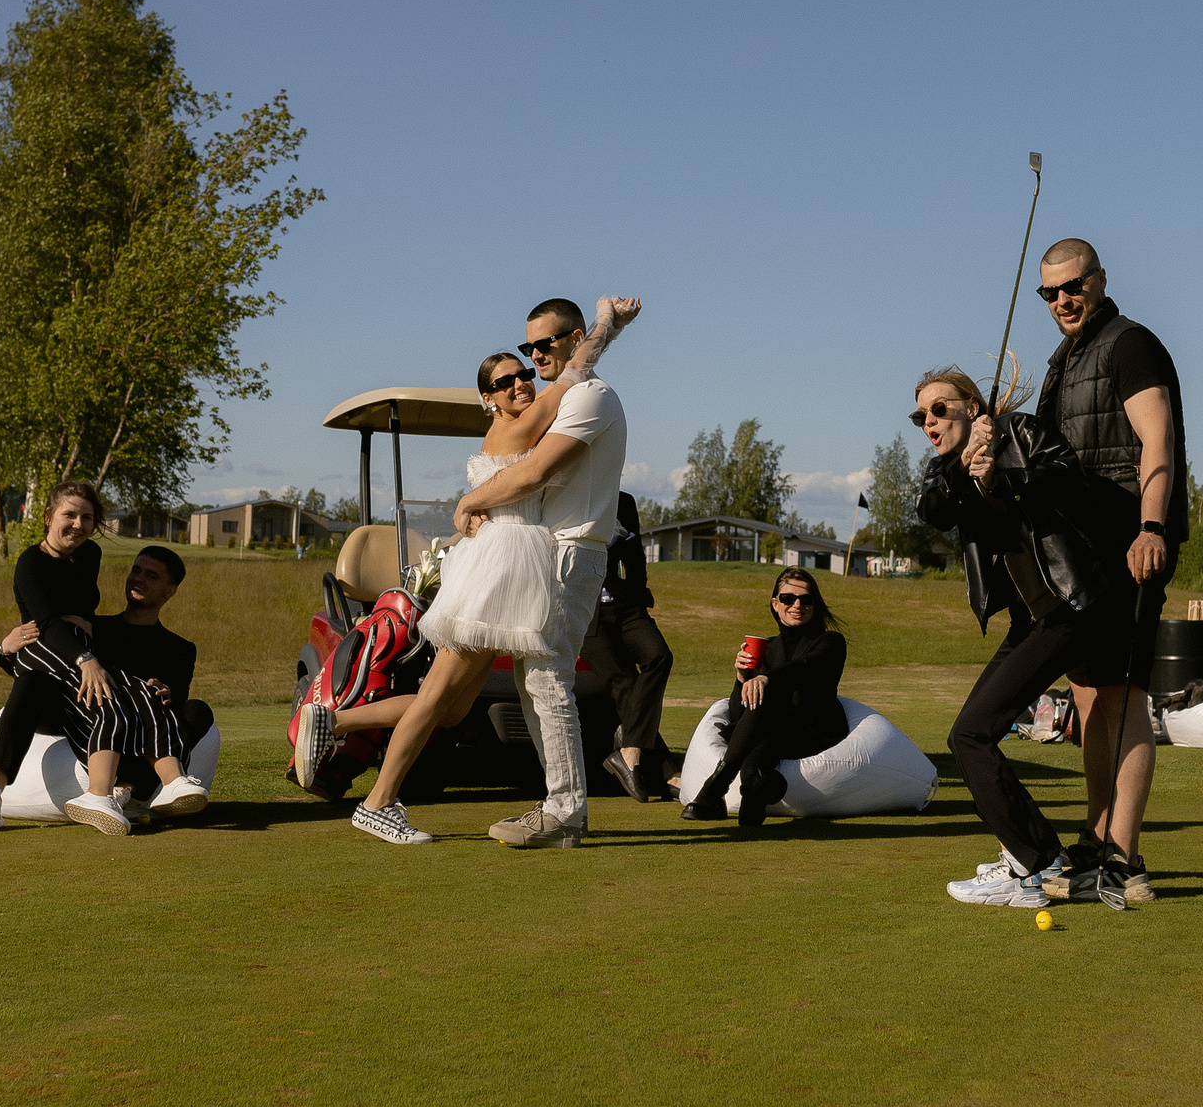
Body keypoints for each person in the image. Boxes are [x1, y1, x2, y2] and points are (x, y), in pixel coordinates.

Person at [342, 296, 637, 846]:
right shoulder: (531, 416)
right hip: (516, 561)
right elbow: (564, 386)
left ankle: (560, 809)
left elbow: (546, 440)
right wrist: (604, 326)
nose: (525, 374)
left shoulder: (569, 402)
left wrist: (605, 327)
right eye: (510, 375)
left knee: (486, 694)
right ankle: (383, 797)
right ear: (488, 398)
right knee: (480, 688)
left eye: (533, 359)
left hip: (542, 555)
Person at [913, 366, 1110, 911]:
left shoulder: (1020, 433)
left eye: (939, 408)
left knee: (971, 736)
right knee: (971, 734)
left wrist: (1001, 465)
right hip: (1031, 621)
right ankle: (1030, 855)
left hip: (1070, 608)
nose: (929, 421)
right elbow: (930, 510)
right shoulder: (943, 469)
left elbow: (1067, 480)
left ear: (972, 406)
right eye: (920, 415)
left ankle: (1031, 863)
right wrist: (964, 465)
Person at [1029, 238, 1188, 909]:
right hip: (1081, 553)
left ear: (1099, 280)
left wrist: (1151, 527)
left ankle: (1126, 856)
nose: (1064, 299)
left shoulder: (1130, 344)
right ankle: (1096, 841)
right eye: (1052, 292)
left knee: (1122, 697)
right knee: (1089, 696)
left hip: (1132, 542)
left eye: (1074, 285)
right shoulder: (1062, 362)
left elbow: (1158, 438)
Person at [0, 485, 203, 837]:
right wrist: (78, 656)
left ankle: (157, 785)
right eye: (69, 515)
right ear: (48, 517)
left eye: (86, 517)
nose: (78, 524)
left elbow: (79, 606)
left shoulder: (90, 554)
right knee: (101, 690)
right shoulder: (30, 562)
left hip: (73, 656)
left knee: (133, 694)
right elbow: (45, 623)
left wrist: (82, 633)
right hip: (47, 649)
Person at [680, 567, 846, 827]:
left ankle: (715, 787)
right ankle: (754, 790)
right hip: (773, 736)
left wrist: (766, 678)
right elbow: (739, 714)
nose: (798, 605)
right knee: (759, 739)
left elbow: (804, 668)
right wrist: (742, 677)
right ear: (775, 603)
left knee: (766, 701)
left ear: (815, 604)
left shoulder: (830, 642)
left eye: (806, 599)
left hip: (812, 730)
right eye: (789, 598)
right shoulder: (765, 649)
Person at [587, 491, 675, 802]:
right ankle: (668, 773)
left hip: (625, 604)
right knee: (624, 684)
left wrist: (638, 589)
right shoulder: (566, 495)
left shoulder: (623, 501)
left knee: (660, 657)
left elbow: (634, 551)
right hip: (585, 613)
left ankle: (629, 751)